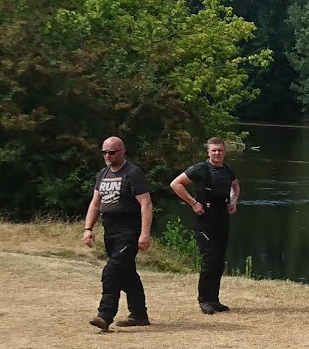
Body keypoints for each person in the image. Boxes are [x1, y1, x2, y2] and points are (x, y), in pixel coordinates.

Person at [83, 136, 153, 330]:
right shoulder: (102, 174)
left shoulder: (133, 173)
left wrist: (144, 233)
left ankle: (105, 315)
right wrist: (88, 229)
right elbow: (95, 203)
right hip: (110, 230)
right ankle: (139, 315)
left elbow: (146, 204)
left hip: (129, 230)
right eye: (104, 152)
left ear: (122, 152)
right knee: (127, 273)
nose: (107, 155)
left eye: (111, 152)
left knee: (111, 271)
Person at [169, 137, 240, 314]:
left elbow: (235, 185)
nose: (217, 153)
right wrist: (193, 203)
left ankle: (214, 300)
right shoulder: (199, 169)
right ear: (208, 152)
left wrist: (234, 200)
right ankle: (204, 300)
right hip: (204, 218)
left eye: (220, 150)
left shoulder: (227, 169)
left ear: (225, 152)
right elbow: (175, 184)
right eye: (213, 150)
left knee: (219, 260)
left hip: (222, 217)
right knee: (210, 259)